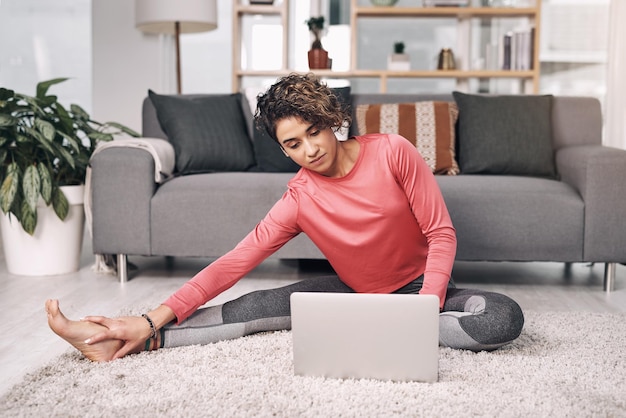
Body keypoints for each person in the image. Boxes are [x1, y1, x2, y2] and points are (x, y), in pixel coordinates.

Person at [46, 73, 524, 362]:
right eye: (293, 144)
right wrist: (148, 320)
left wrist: (429, 302)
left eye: (315, 132)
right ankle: (117, 339)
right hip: (354, 296)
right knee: (258, 307)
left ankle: (379, 325)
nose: (310, 150)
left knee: (503, 318)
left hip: (421, 289)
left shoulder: (393, 153)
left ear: (331, 121)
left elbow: (440, 233)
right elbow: (232, 263)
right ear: (281, 148)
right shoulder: (298, 198)